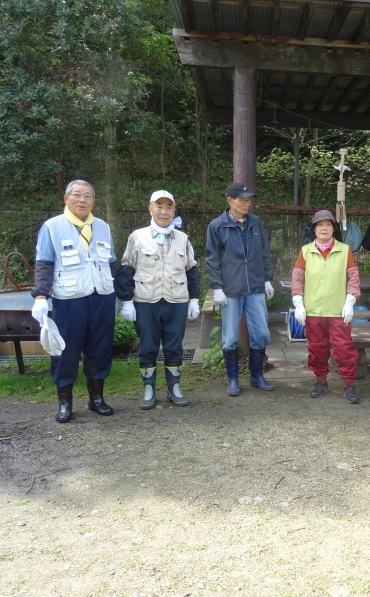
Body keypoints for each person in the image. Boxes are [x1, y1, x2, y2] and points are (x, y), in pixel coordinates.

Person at [30, 180, 117, 423]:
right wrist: (40, 296)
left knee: (99, 349)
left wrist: (123, 296)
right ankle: (65, 402)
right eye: (77, 195)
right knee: (65, 351)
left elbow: (111, 263)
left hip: (101, 297)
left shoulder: (102, 227)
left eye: (87, 196)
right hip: (69, 300)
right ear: (65, 198)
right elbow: (44, 263)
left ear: (93, 201)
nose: (82, 200)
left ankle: (96, 398)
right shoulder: (52, 227)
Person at [114, 190, 201, 410]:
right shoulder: (137, 237)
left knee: (174, 346)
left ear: (174, 210)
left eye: (169, 207)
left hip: (176, 300)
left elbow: (192, 270)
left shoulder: (183, 238)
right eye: (159, 206)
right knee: (148, 346)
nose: (164, 211)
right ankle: (149, 389)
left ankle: (174, 388)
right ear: (150, 209)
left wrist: (194, 299)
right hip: (146, 301)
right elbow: (126, 268)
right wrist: (126, 300)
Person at [206, 182, 275, 396]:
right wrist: (217, 286)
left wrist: (267, 279)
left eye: (249, 199)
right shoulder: (217, 226)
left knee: (261, 333)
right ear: (229, 201)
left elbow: (264, 252)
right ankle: (233, 380)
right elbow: (212, 258)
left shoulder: (255, 223)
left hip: (255, 286)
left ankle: (257, 376)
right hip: (230, 290)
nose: (247, 203)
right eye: (242, 199)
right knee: (230, 338)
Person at [291, 210, 362, 404]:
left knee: (344, 348)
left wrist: (350, 302)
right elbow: (297, 278)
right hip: (313, 310)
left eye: (328, 224)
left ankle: (348, 384)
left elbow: (353, 277)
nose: (324, 228)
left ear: (333, 229)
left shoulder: (344, 250)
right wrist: (298, 303)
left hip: (339, 311)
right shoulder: (306, 251)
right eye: (320, 224)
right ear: (314, 229)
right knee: (316, 348)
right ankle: (320, 380)